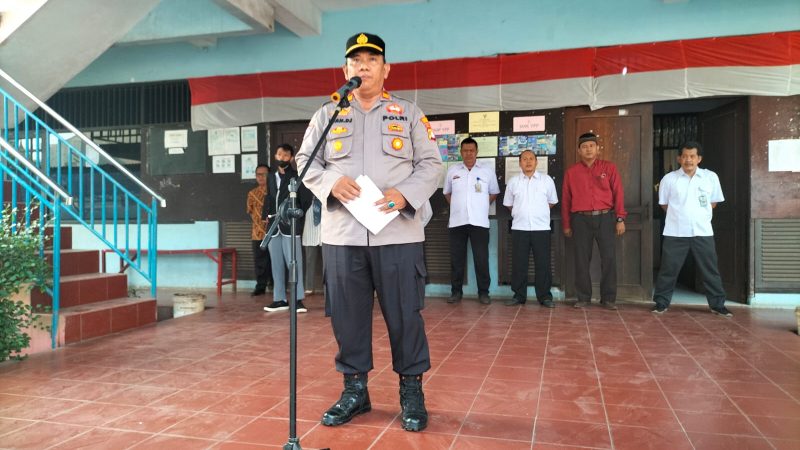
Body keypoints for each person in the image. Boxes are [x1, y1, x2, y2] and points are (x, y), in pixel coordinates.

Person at [294, 32, 441, 432]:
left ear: (385, 68)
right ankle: (355, 391)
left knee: (405, 316)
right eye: (355, 60)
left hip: (398, 234)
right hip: (343, 236)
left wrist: (404, 194)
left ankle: (411, 391)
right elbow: (305, 160)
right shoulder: (327, 115)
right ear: (346, 70)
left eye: (371, 59)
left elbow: (432, 165)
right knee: (347, 317)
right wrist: (329, 184)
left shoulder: (408, 113)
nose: (363, 66)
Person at [652, 141, 731, 316]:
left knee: (710, 270)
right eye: (685, 156)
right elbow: (664, 204)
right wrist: (681, 215)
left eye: (692, 156)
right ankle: (661, 303)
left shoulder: (710, 177)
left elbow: (714, 202)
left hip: (702, 231)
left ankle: (717, 305)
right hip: (675, 232)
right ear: (679, 158)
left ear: (699, 158)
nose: (688, 160)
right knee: (668, 269)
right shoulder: (669, 179)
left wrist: (697, 215)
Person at [562, 132, 626, 310]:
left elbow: (618, 193)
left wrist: (620, 218)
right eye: (584, 147)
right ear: (579, 150)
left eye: (591, 146)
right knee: (581, 259)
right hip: (580, 220)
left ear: (598, 148)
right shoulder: (571, 172)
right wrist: (566, 224)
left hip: (606, 218)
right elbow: (566, 199)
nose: (588, 149)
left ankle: (608, 298)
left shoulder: (609, 168)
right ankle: (583, 297)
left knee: (609, 258)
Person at [443, 137, 500, 304]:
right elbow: (447, 193)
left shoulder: (487, 171)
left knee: (481, 258)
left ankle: (484, 293)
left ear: (477, 152)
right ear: (461, 152)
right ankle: (456, 292)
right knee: (456, 259)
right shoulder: (453, 171)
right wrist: (457, 206)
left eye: (472, 150)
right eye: (465, 150)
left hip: (479, 222)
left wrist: (481, 205)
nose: (469, 153)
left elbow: (494, 192)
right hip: (457, 222)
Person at [503, 150, 558, 307]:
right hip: (520, 228)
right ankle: (519, 295)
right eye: (524, 159)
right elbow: (508, 204)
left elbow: (552, 201)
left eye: (531, 159)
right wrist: (522, 213)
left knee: (543, 263)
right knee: (519, 263)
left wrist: (537, 213)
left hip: (541, 228)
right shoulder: (513, 182)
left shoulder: (546, 181)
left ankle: (545, 297)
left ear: (536, 162)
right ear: (519, 163)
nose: (528, 162)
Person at [262, 144, 312, 313]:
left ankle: (297, 300)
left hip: (290, 226)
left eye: (285, 155)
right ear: (275, 156)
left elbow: (305, 200)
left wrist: (296, 215)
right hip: (273, 226)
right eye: (279, 154)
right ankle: (279, 299)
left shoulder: (296, 177)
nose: (282, 158)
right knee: (276, 264)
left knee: (294, 263)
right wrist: (265, 216)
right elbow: (269, 197)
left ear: (291, 158)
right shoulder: (271, 177)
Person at [246, 163, 272, 296]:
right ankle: (260, 286)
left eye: (264, 174)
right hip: (257, 232)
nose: (261, 177)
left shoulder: (274, 191)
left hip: (273, 231)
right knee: (260, 260)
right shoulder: (252, 193)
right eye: (258, 174)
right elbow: (250, 211)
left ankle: (274, 286)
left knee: (274, 259)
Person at [302, 197, 322, 295]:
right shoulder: (305, 201)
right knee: (309, 261)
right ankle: (309, 287)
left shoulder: (326, 200)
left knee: (329, 264)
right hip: (310, 234)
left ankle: (329, 287)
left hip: (326, 235)